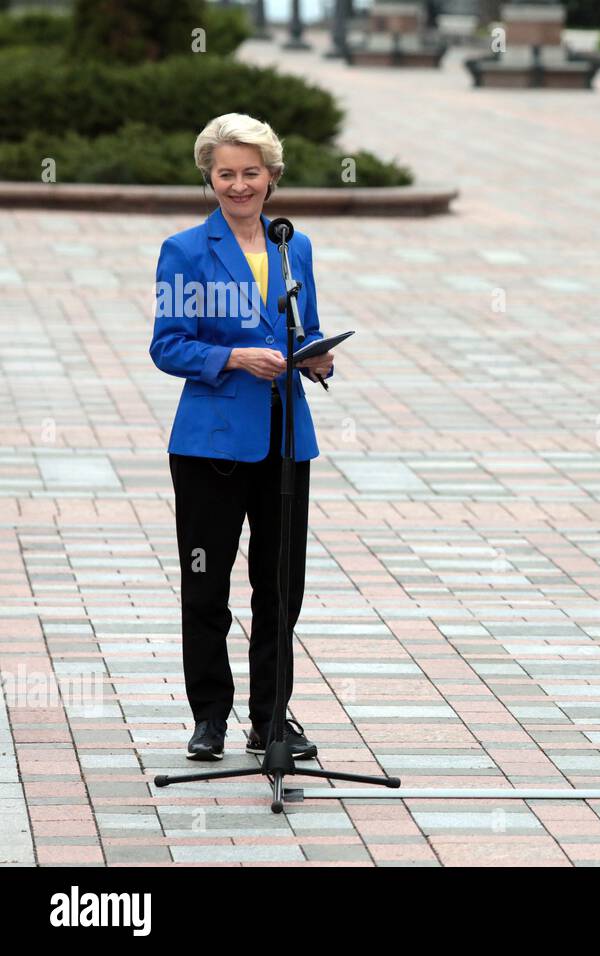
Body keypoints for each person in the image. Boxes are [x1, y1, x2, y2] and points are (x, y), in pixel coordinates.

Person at [149, 113, 335, 761]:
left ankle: (270, 719)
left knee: (281, 587)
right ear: (209, 177)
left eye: (250, 173)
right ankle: (209, 718)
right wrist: (233, 359)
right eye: (224, 173)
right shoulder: (184, 251)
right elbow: (168, 346)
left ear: (272, 176)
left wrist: (316, 358)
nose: (237, 185)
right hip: (211, 445)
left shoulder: (295, 247)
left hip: (284, 440)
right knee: (207, 584)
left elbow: (304, 327)